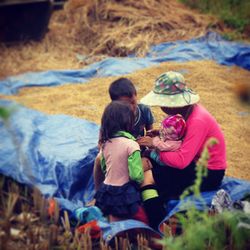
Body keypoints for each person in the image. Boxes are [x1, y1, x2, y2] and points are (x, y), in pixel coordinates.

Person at [137, 71, 227, 229]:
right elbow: (183, 139)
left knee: (149, 176)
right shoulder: (189, 112)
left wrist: (155, 147)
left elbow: (181, 161)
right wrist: (161, 134)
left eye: (164, 103)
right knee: (150, 165)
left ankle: (157, 222)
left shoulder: (198, 120)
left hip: (208, 173)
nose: (162, 107)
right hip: (195, 162)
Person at [93, 77, 154, 191]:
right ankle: (98, 192)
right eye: (126, 104)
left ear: (136, 95)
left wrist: (150, 141)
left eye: (133, 102)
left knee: (151, 161)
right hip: (118, 153)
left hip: (137, 152)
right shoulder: (112, 115)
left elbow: (151, 133)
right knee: (98, 159)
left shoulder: (144, 110)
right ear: (115, 104)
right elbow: (101, 142)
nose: (131, 107)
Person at [94, 100, 148, 224]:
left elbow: (104, 167)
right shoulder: (132, 144)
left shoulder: (106, 144)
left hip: (106, 192)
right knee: (141, 220)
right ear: (128, 122)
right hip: (124, 194)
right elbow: (136, 175)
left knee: (113, 221)